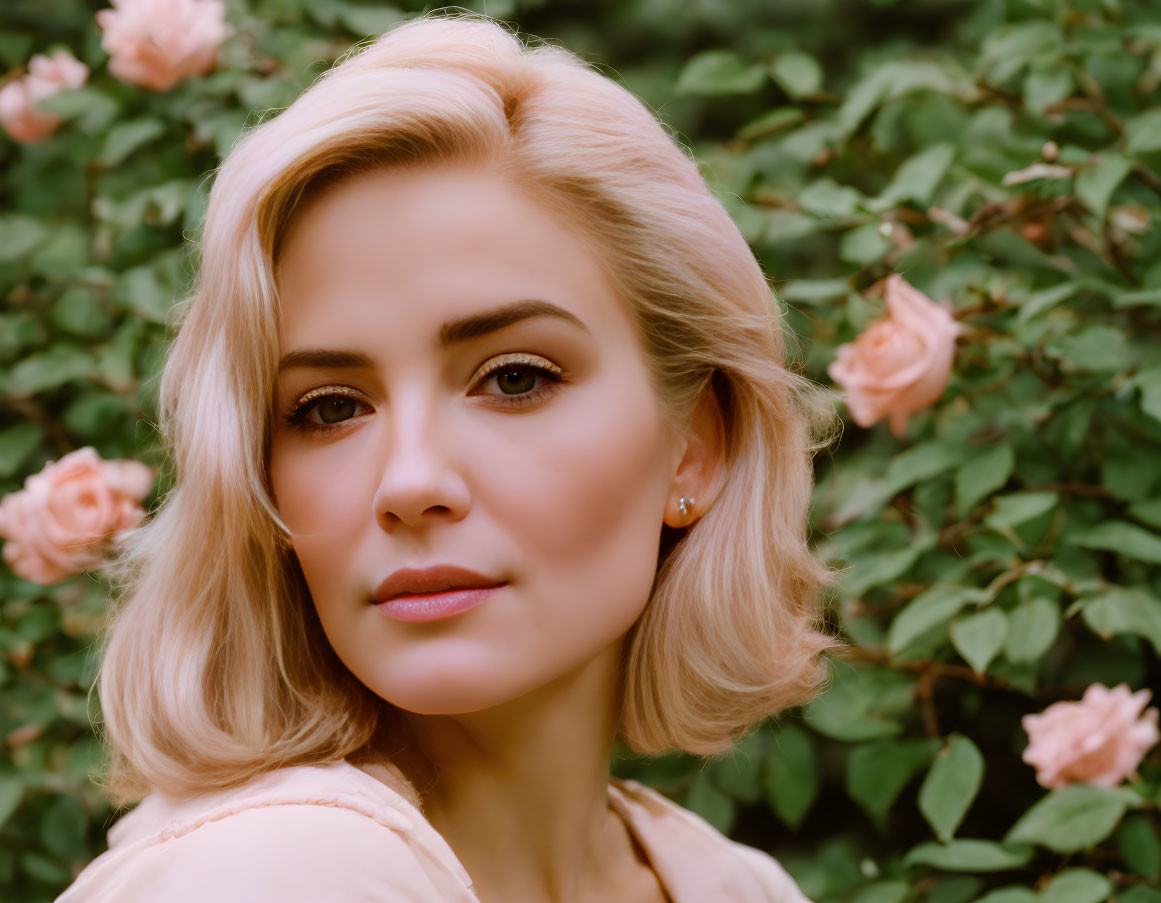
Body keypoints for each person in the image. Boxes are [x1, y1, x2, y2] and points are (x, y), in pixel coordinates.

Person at [55, 11, 840, 903]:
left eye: (512, 379)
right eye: (329, 407)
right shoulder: (272, 873)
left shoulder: (734, 886)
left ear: (698, 446)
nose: (412, 481)